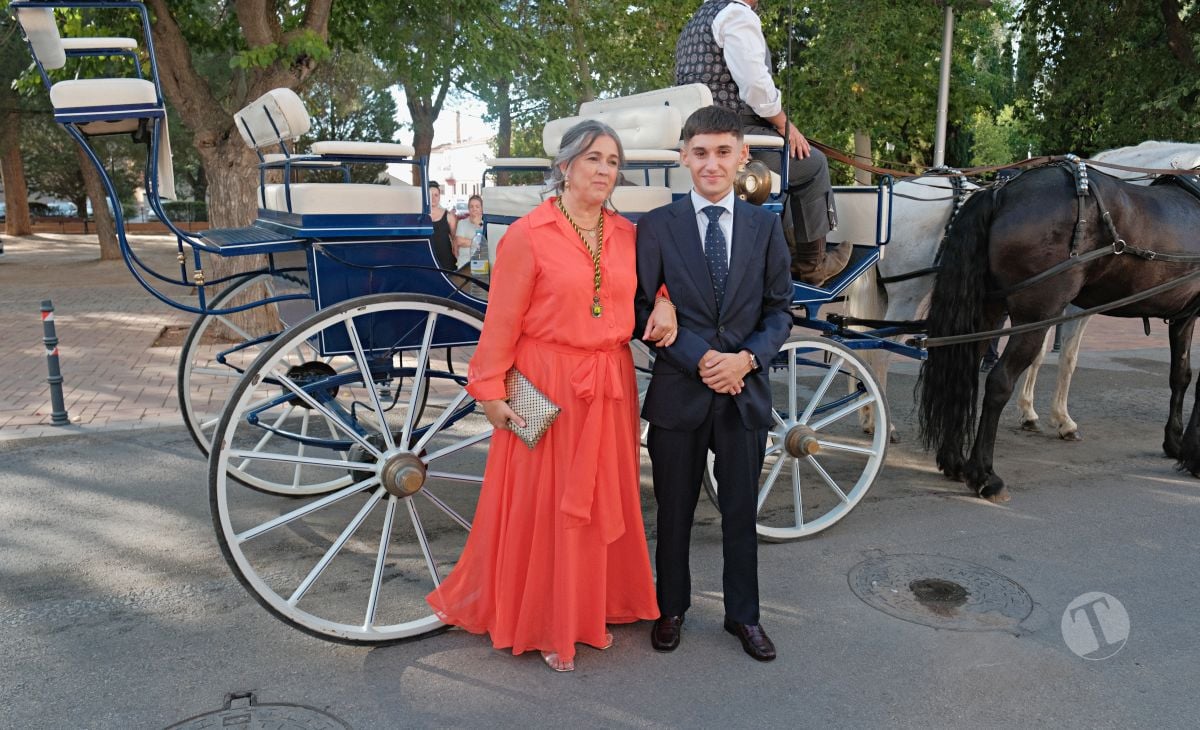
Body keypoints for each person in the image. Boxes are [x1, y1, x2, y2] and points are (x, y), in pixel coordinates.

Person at [427, 120, 679, 672]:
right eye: (593, 159)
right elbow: (502, 323)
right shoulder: (529, 233)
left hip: (609, 385)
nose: (603, 171)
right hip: (547, 383)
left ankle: (594, 605)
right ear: (564, 166)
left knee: (600, 501)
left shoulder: (627, 234)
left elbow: (657, 280)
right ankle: (547, 618)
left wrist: (664, 300)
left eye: (612, 162)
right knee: (551, 504)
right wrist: (489, 389)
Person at [635, 105, 792, 662]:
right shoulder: (656, 227)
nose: (711, 163)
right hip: (681, 392)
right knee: (673, 510)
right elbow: (640, 310)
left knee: (740, 514)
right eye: (700, 152)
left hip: (743, 394)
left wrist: (746, 359)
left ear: (742, 155)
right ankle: (670, 608)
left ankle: (743, 616)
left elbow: (779, 312)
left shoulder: (765, 225)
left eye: (723, 151)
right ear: (684, 157)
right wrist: (702, 357)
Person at [676, 0, 847, 286]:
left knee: (792, 164)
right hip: (735, 134)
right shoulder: (737, 14)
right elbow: (755, 85)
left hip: (700, 133)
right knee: (812, 163)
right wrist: (784, 124)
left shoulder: (696, 21)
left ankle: (788, 249)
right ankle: (812, 265)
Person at [427, 180, 458, 271]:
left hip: (446, 262)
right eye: (430, 195)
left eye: (436, 195)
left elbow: (455, 239)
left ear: (439, 197)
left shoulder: (449, 216)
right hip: (427, 261)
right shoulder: (421, 217)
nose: (433, 198)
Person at [453, 194, 484, 269]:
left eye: (477, 206)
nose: (474, 209)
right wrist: (478, 244)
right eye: (471, 206)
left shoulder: (485, 225)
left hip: (480, 266)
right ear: (468, 208)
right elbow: (459, 241)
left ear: (481, 208)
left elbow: (485, 246)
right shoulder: (462, 223)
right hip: (463, 265)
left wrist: (478, 225)